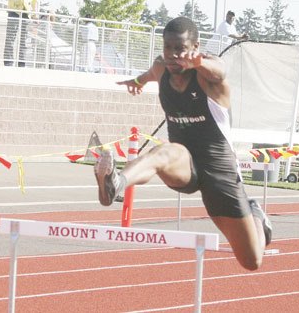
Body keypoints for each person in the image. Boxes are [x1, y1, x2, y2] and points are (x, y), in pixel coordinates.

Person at [94, 16, 271, 271]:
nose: (173, 55)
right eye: (168, 48)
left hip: (218, 172)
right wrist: (137, 82)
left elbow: (221, 70)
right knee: (163, 152)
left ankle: (255, 213)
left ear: (195, 46)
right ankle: (115, 183)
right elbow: (149, 74)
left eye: (180, 49)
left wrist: (198, 61)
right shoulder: (161, 67)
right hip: (184, 162)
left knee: (251, 261)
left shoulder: (209, 78)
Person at [4, 0, 38, 67]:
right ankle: (8, 63)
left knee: (24, 40)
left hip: (27, 13)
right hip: (14, 10)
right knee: (10, 38)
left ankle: (22, 63)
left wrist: (34, 15)